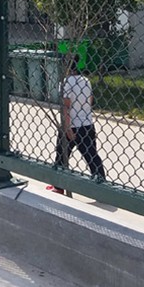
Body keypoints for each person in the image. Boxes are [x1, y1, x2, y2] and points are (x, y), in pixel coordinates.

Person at [47, 54, 105, 194]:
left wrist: (67, 128)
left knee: (61, 154)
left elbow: (66, 106)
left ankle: (58, 186)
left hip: (72, 124)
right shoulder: (86, 80)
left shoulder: (66, 83)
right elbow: (90, 100)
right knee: (91, 155)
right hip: (87, 123)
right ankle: (101, 184)